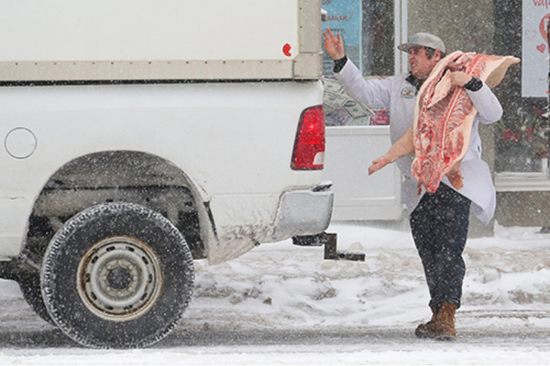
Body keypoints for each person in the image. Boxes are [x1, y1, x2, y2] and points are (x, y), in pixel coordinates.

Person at [323, 29, 503, 340]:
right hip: (419, 185)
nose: (412, 58)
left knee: (448, 249)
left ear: (437, 57)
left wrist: (472, 84)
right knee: (429, 251)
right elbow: (364, 93)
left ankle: (448, 312)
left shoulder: (458, 84)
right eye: (410, 52)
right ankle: (438, 312)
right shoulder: (399, 86)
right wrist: (341, 61)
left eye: (419, 53)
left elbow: (493, 114)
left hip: (453, 182)